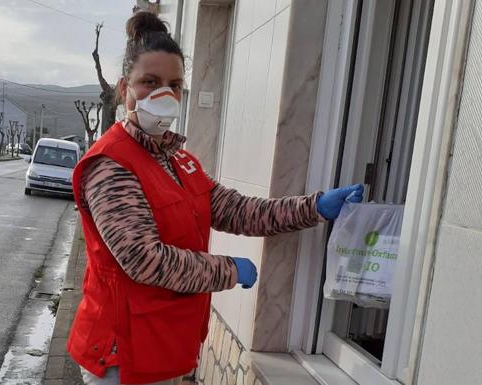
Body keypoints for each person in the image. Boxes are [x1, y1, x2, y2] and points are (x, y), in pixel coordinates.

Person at [67, 11, 364, 385]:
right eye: (149, 82)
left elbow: (241, 212)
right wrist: (227, 269)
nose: (163, 94)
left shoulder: (178, 161)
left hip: (161, 347)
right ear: (125, 88)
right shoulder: (111, 165)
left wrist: (315, 207)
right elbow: (143, 260)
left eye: (174, 85)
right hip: (120, 355)